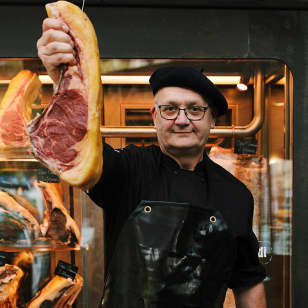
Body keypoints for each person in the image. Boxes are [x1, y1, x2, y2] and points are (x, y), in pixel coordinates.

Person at [37, 18, 267, 308]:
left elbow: (249, 282)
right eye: (170, 109)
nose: (182, 120)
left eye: (195, 110)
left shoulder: (236, 195)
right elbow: (75, 144)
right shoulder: (129, 169)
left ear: (212, 120)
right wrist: (64, 78)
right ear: (154, 116)